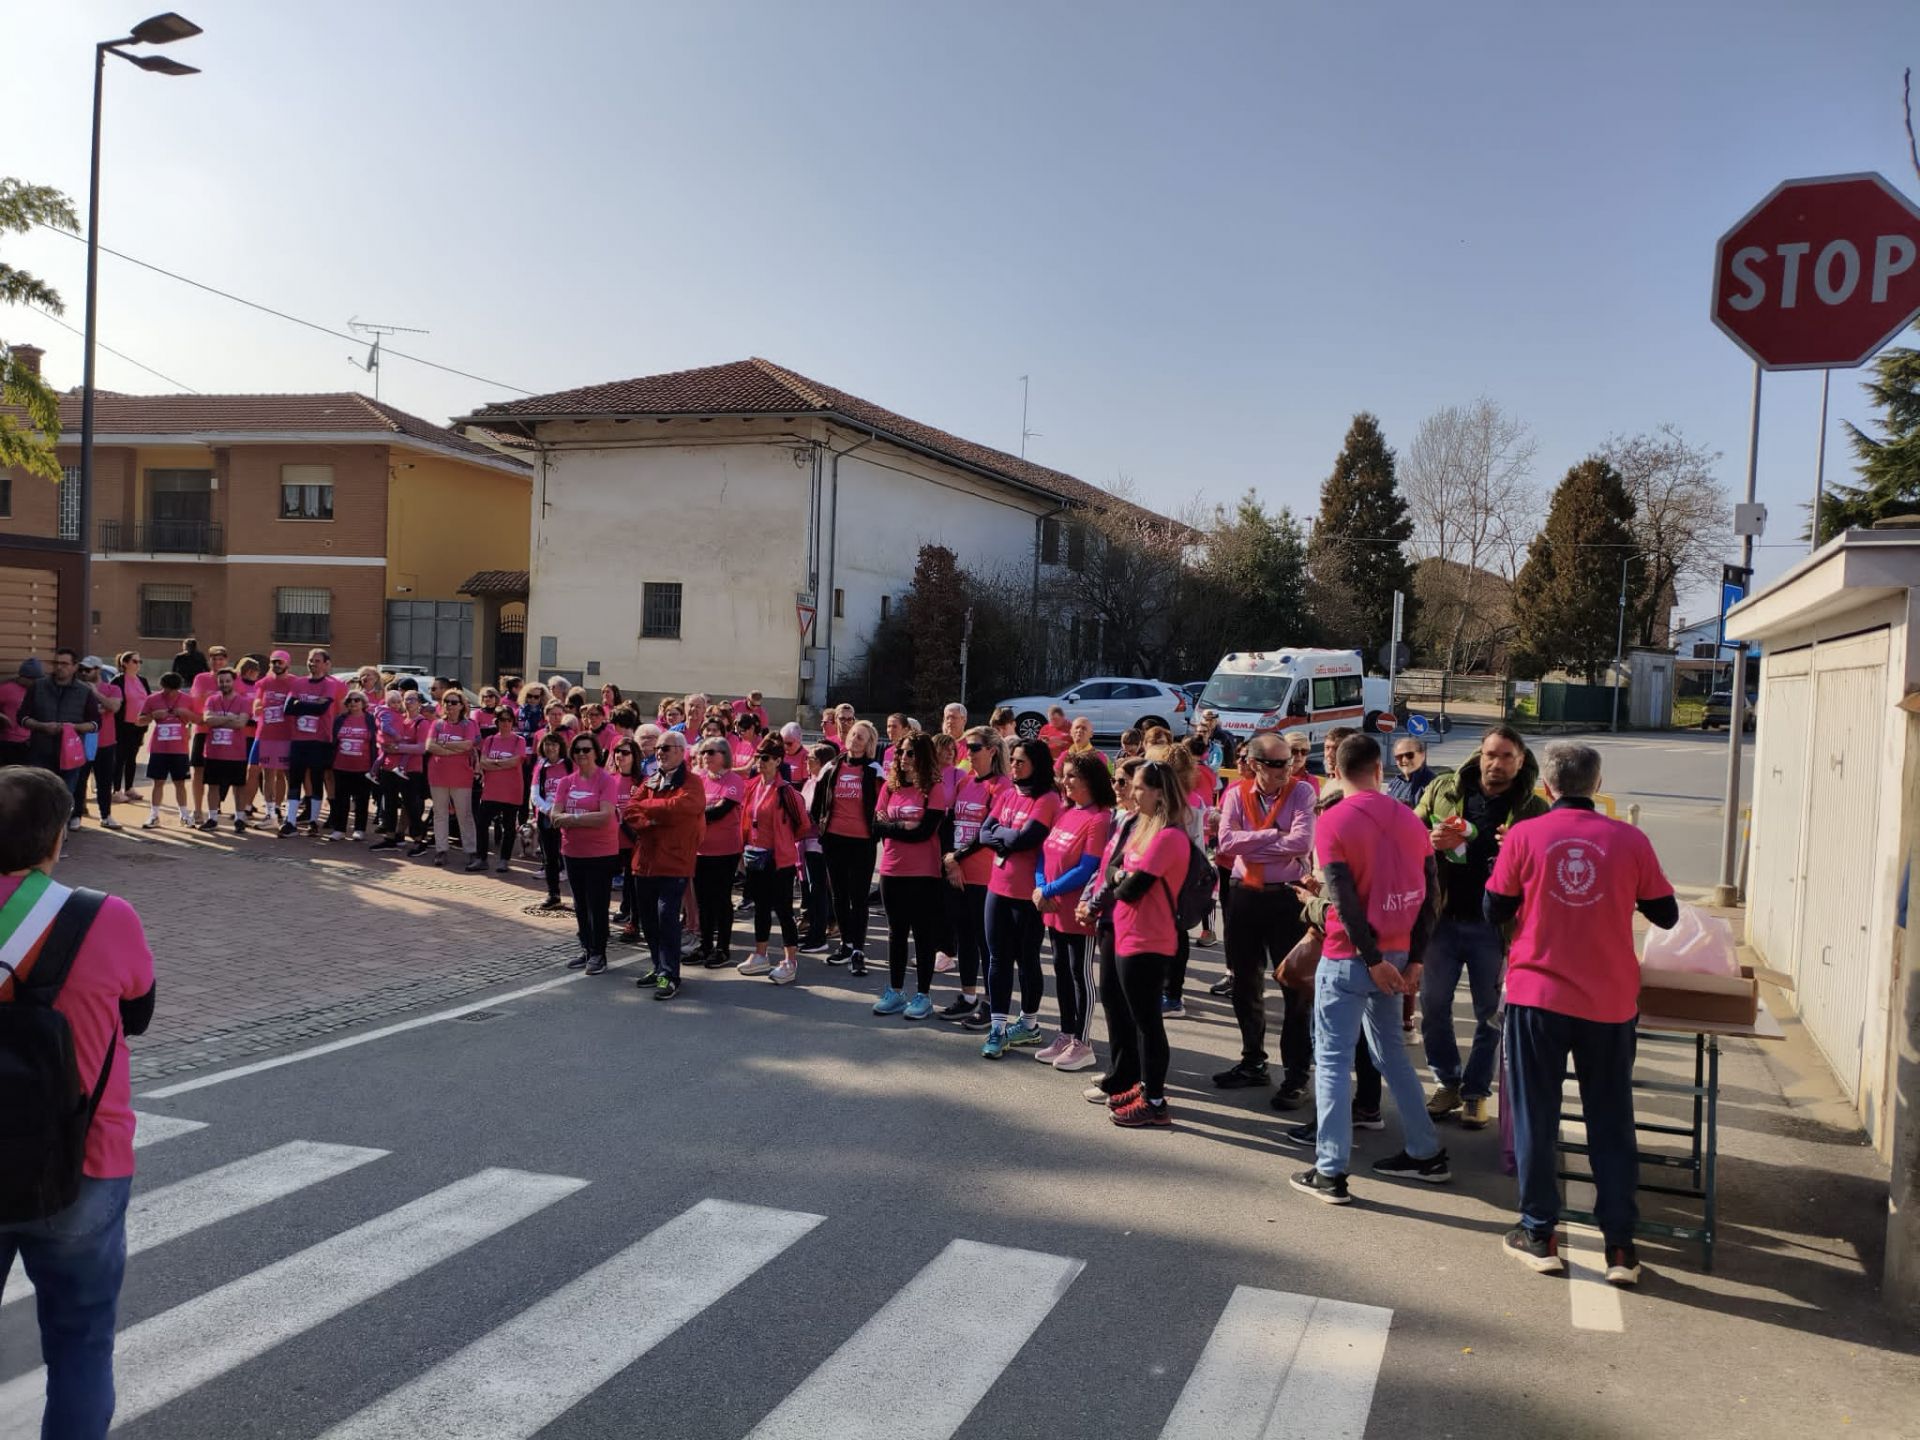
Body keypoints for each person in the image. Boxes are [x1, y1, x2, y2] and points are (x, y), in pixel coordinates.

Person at [0, 766, 156, 1439]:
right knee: (80, 1346)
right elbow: (139, 1011)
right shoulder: (105, 915)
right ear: (57, 839)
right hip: (83, 1157)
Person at [1485, 742, 1676, 1284]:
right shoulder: (1630, 839)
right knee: (1611, 1119)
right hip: (1609, 1001)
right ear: (1598, 784)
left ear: (1546, 786)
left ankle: (1538, 1231)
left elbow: (1494, 907)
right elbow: (1665, 914)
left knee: (1536, 1115)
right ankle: (1620, 1246)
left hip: (1537, 996)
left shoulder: (1524, 835)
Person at [1290, 734, 1450, 1204]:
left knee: (1333, 1061)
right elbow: (1431, 895)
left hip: (1350, 957)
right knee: (1391, 1055)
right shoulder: (1410, 819)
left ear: (1336, 771)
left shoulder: (1334, 821)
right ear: (1380, 770)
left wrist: (1372, 959)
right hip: (1397, 954)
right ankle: (1425, 1152)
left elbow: (1342, 899)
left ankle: (1330, 1171)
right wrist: (1413, 958)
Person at [1416, 724, 1548, 1129]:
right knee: (1433, 1007)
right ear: (1480, 754)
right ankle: (1447, 1082)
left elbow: (1547, 866)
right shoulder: (1444, 789)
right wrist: (1429, 838)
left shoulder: (1534, 809)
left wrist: (1521, 850)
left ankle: (1475, 1092)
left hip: (1495, 927)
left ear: (1520, 762)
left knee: (1490, 1014)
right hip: (1442, 920)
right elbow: (1410, 832)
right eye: (1491, 754)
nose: (1497, 763)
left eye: (1507, 757)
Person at [1211, 732, 1317, 1095]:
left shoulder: (1302, 792)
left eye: (1289, 761)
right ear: (1255, 764)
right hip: (1244, 894)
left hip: (1286, 897)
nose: (1287, 768)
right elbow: (1226, 843)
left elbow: (1302, 842)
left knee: (1294, 986)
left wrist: (1253, 841)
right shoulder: (1236, 793)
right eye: (1277, 763)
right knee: (1245, 983)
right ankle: (1253, 1061)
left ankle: (1296, 1075)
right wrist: (1274, 835)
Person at [1087, 756, 1191, 1126]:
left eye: (1140, 788)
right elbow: (1114, 870)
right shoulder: (1143, 828)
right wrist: (1120, 875)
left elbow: (1129, 889)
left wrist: (1119, 877)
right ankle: (1144, 1086)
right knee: (1135, 1016)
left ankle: (1155, 1100)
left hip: (1149, 939)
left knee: (1147, 1023)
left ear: (1160, 793)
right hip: (1128, 933)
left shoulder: (1169, 837)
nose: (1133, 793)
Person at [976, 738, 1063, 1058]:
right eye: (1011, 760)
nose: (1012, 765)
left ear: (1036, 765)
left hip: (1028, 894)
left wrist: (1002, 836)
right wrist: (1006, 837)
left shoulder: (1048, 798)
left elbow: (1026, 839)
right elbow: (984, 833)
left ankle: (1028, 1023)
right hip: (997, 887)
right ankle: (998, 1028)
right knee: (997, 958)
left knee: (1026, 960)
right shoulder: (1008, 794)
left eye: (1020, 761)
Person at [1033, 753, 1115, 1073]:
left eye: (1072, 776)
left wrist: (1048, 891)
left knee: (1080, 974)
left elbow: (1088, 867)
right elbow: (1044, 854)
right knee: (1062, 972)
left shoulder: (1100, 818)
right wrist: (1041, 888)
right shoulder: (1066, 811)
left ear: (1090, 781)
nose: (1064, 782)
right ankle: (1066, 1033)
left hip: (1078, 911)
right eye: (1064, 775)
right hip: (1053, 908)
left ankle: (1083, 1042)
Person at [870, 731, 952, 1018]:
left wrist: (895, 827)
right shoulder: (889, 787)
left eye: (910, 753)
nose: (903, 758)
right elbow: (876, 826)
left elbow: (924, 832)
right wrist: (902, 826)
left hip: (923, 873)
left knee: (922, 934)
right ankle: (895, 991)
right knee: (896, 933)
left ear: (923, 757)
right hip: (892, 870)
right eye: (901, 752)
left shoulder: (934, 789)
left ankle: (923, 995)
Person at [625, 731, 705, 1000]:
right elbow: (630, 811)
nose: (660, 752)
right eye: (658, 748)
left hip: (674, 861)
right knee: (649, 919)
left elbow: (683, 808)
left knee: (666, 918)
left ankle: (669, 975)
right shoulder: (650, 780)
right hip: (645, 862)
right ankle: (658, 967)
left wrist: (648, 807)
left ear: (681, 751)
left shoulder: (692, 782)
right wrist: (652, 819)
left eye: (666, 748)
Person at [941, 727, 1011, 1026]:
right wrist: (952, 862)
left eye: (974, 747)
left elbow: (987, 832)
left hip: (984, 875)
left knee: (987, 943)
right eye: (966, 747)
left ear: (992, 750)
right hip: (958, 873)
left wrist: (956, 857)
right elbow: (950, 822)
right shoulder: (966, 781)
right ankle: (967, 997)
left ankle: (992, 1005)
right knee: (965, 937)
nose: (967, 752)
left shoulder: (1002, 786)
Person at [811, 720, 883, 978]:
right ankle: (846, 943)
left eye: (861, 737)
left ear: (869, 743)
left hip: (862, 842)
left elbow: (883, 805)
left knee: (858, 897)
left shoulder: (874, 770)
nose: (854, 739)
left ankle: (858, 950)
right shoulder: (832, 766)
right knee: (839, 895)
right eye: (853, 735)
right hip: (834, 839)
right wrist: (822, 829)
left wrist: (876, 832)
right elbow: (818, 802)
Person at [738, 739, 808, 983]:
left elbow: (802, 825)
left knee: (784, 909)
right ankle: (760, 954)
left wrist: (784, 843)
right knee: (761, 907)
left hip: (779, 860)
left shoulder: (786, 791)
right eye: (758, 757)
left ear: (778, 761)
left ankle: (790, 961)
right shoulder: (752, 786)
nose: (760, 762)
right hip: (755, 856)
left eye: (765, 758)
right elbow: (746, 819)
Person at [552, 734, 620, 972]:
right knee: (580, 904)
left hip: (600, 852)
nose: (582, 754)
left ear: (596, 753)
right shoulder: (566, 782)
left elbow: (605, 816)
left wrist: (572, 819)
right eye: (577, 750)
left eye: (586, 750)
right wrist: (580, 819)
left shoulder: (606, 780)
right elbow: (554, 816)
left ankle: (599, 953)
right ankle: (587, 948)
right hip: (572, 851)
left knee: (597, 904)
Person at [16, 649, 102, 815]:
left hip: (70, 755)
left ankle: (62, 828)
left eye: (64, 664)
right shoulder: (38, 686)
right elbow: (22, 717)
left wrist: (75, 728)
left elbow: (96, 724)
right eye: (56, 663)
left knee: (64, 799)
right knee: (40, 798)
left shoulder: (84, 691)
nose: (59, 667)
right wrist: (41, 726)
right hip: (41, 752)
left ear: (74, 667)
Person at [691, 738, 746, 967]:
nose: (706, 756)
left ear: (724, 755)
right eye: (703, 752)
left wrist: (693, 814)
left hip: (725, 851)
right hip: (700, 850)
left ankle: (722, 948)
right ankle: (705, 945)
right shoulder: (699, 779)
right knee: (703, 901)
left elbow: (720, 810)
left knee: (721, 899)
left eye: (711, 752)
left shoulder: (734, 781)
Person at [282, 648, 345, 838]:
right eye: (310, 660)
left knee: (317, 780)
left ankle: (313, 822)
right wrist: (312, 704)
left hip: (320, 739)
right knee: (295, 780)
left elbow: (322, 709)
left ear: (326, 664)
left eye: (317, 661)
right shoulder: (298, 682)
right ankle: (290, 822)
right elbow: (287, 709)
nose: (313, 664)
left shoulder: (329, 684)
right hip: (298, 739)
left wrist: (300, 705)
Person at [425, 689, 482, 870]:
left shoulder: (468, 724)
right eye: (447, 701)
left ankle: (471, 850)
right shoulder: (437, 724)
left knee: (464, 815)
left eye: (454, 702)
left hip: (461, 776)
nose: (450, 705)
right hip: (438, 774)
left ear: (461, 705)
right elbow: (430, 746)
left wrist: (443, 745)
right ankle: (441, 849)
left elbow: (468, 744)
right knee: (440, 813)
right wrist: (453, 750)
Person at [199, 669, 255, 833]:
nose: (224, 684)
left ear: (234, 682)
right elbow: (208, 720)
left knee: (239, 786)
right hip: (214, 752)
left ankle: (239, 819)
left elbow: (240, 724)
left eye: (227, 681)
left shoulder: (244, 701)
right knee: (213, 785)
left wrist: (219, 720)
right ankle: (212, 818)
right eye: (221, 681)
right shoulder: (212, 699)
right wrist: (230, 718)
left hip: (235, 752)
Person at [137, 674, 194, 828]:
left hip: (179, 748)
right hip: (159, 748)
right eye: (167, 690)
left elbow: (199, 719)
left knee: (180, 782)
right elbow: (139, 721)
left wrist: (185, 713)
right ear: (162, 686)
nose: (170, 694)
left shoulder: (187, 699)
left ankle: (184, 815)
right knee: (158, 782)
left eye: (174, 691)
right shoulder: (152, 699)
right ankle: (154, 815)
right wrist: (152, 715)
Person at [249, 651, 297, 830]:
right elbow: (257, 701)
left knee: (288, 775)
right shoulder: (264, 682)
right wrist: (257, 706)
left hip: (287, 735)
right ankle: (271, 815)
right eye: (273, 662)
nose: (276, 665)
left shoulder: (295, 682)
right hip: (265, 734)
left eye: (280, 662)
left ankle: (289, 814)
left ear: (287, 664)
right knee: (267, 773)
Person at [74, 658, 124, 832]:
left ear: (98, 670)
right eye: (81, 670)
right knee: (80, 780)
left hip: (105, 742)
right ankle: (76, 815)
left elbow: (114, 706)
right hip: (82, 741)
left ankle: (106, 815)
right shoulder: (77, 689)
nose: (84, 673)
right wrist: (99, 709)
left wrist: (95, 693)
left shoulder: (112, 689)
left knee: (104, 781)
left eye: (87, 670)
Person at [475, 714, 528, 872]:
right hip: (491, 790)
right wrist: (503, 764)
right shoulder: (490, 740)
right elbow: (483, 762)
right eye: (502, 720)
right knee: (482, 824)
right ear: (497, 722)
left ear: (513, 722)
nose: (505, 723)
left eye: (509, 720)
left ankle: (504, 860)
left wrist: (494, 763)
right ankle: (481, 858)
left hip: (511, 790)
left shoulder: (519, 740)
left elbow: (515, 761)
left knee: (509, 827)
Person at [527, 732, 571, 906]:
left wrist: (561, 811)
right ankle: (553, 895)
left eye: (554, 744)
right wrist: (549, 810)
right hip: (546, 817)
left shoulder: (569, 765)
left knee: (569, 857)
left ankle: (578, 897)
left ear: (560, 747)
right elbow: (534, 794)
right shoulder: (540, 767)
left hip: (567, 816)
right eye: (547, 744)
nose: (550, 748)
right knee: (549, 858)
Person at [326, 691, 378, 840]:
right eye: (349, 700)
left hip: (363, 767)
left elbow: (375, 741)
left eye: (357, 700)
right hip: (341, 766)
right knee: (341, 799)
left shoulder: (370, 719)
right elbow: (333, 740)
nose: (353, 703)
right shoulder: (340, 719)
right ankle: (339, 829)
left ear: (363, 703)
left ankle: (359, 829)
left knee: (362, 799)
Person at [108, 652, 149, 804]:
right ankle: (116, 790)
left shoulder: (142, 680)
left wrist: (147, 718)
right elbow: (114, 702)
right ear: (125, 663)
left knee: (132, 757)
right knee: (120, 758)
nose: (138, 664)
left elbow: (149, 699)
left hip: (138, 725)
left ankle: (129, 788)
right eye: (134, 661)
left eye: (140, 661)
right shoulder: (118, 680)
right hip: (122, 725)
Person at [0, 658, 36, 770]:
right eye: (32, 679)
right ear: (23, 677)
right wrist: (2, 717)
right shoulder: (6, 689)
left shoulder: (38, 690)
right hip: (8, 741)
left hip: (31, 742)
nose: (34, 682)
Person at [1387, 737, 1437, 808]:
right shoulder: (1394, 783)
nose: (1404, 760)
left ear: (1422, 755)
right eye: (1399, 756)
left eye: (1409, 755)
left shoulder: (1433, 784)